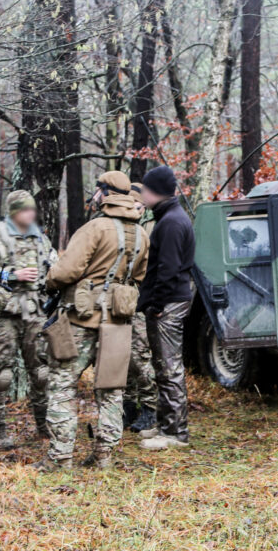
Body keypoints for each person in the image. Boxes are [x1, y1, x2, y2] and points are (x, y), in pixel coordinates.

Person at [41, 171, 149, 469]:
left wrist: (49, 281)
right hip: (118, 320)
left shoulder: (94, 228)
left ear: (104, 192)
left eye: (97, 190)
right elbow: (138, 277)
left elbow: (66, 272)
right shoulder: (141, 234)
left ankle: (60, 457)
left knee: (62, 383)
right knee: (112, 389)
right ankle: (104, 457)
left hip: (80, 320)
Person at [0, 190, 57, 448]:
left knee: (42, 373)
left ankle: (44, 425)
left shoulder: (40, 240)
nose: (30, 214)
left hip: (35, 313)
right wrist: (12, 275)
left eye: (31, 209)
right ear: (12, 212)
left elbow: (54, 268)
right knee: (1, 376)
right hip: (4, 315)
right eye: (24, 210)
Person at [135, 166, 196, 451]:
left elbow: (168, 269)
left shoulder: (171, 222)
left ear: (153, 191)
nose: (142, 194)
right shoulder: (170, 217)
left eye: (145, 189)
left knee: (169, 369)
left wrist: (157, 305)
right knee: (163, 367)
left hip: (168, 304)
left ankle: (175, 433)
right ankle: (165, 424)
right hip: (169, 301)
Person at [124, 183, 158, 433]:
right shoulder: (119, 223)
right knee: (119, 356)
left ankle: (150, 407)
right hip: (119, 300)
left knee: (139, 356)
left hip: (140, 300)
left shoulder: (150, 226)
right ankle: (128, 407)